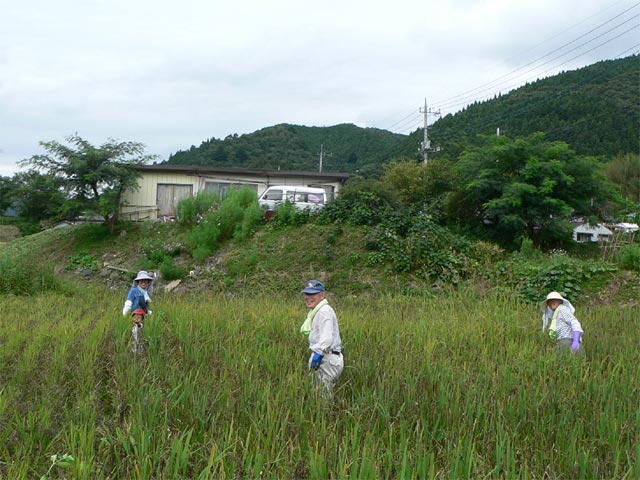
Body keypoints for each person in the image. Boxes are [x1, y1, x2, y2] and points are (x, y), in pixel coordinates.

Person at [299, 279, 344, 395]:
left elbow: (327, 338)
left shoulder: (324, 311)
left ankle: (326, 408)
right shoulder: (317, 311)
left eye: (312, 294)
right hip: (325, 357)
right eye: (306, 294)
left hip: (327, 359)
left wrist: (317, 356)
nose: (308, 297)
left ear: (322, 295)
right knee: (317, 393)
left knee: (322, 396)